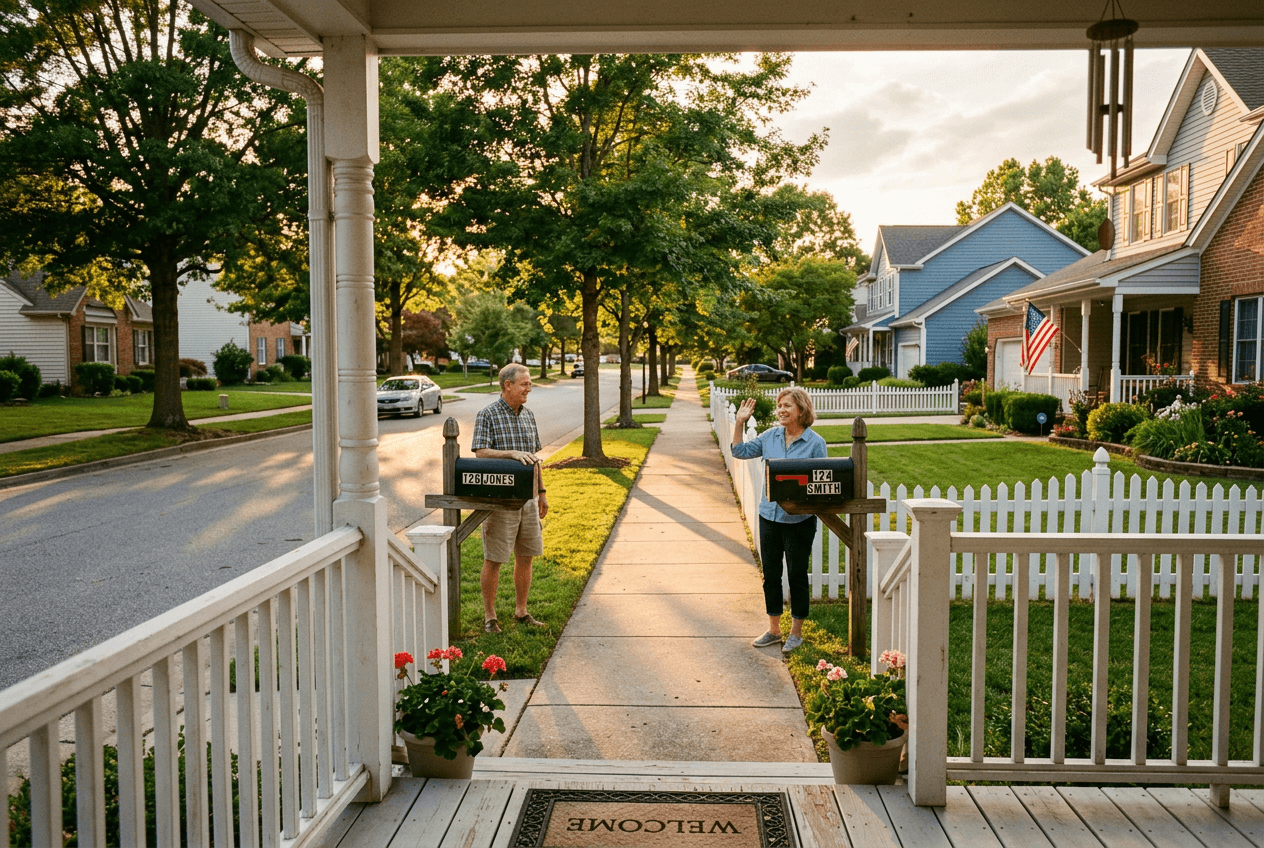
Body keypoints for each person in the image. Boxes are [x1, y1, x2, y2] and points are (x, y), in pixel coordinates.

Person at [730, 386, 827, 653]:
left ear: (801, 410)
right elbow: (739, 451)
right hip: (769, 517)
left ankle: (796, 633)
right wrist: (739, 422)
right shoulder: (769, 437)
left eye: (788, 406)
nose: (782, 410)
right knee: (771, 575)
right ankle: (774, 630)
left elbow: (821, 482)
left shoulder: (815, 443)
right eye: (780, 406)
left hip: (799, 521)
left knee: (796, 575)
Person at [471, 362, 549, 633]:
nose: (529, 388)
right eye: (524, 384)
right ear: (507, 386)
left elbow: (535, 459)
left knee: (525, 555)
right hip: (500, 501)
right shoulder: (488, 415)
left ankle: (521, 611)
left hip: (528, 499)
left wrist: (541, 493)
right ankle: (490, 617)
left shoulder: (528, 415)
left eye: (529, 383)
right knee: (495, 558)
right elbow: (480, 452)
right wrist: (511, 453)